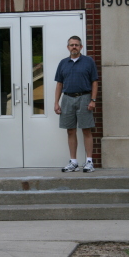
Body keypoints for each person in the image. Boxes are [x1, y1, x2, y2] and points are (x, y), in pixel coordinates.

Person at [54, 36, 98, 173]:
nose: (74, 47)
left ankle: (89, 162)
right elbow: (59, 84)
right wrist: (56, 102)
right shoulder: (63, 63)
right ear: (68, 47)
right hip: (67, 99)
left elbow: (94, 82)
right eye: (72, 45)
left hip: (84, 98)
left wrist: (93, 100)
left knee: (86, 129)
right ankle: (73, 162)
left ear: (81, 47)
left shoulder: (88, 61)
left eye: (77, 45)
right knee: (70, 130)